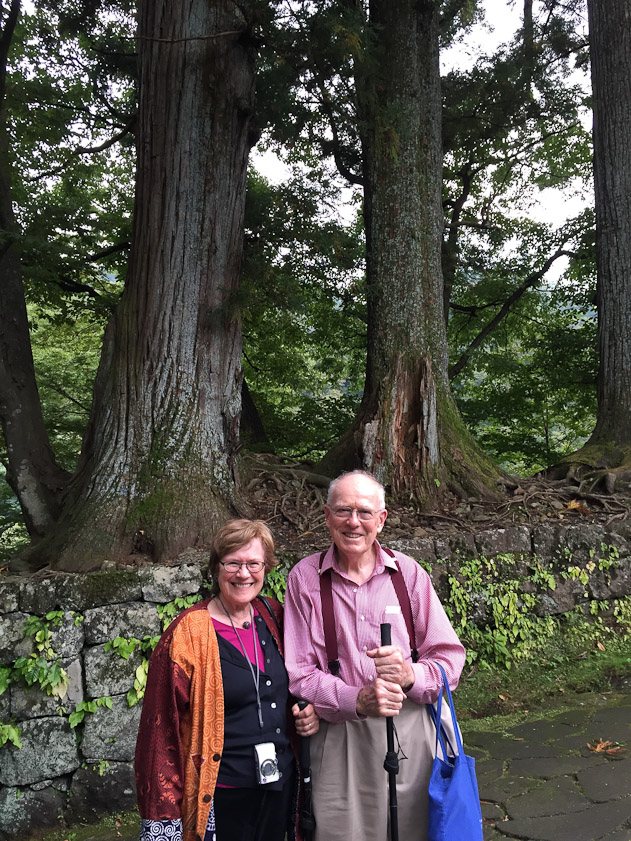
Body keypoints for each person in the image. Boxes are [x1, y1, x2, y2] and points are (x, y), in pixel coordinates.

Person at [284, 470, 466, 841]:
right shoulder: (305, 578)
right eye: (343, 511)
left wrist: (410, 675)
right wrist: (359, 699)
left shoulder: (409, 575)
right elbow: (300, 673)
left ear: (381, 520)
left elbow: (449, 660)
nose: (354, 522)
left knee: (417, 831)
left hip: (411, 728)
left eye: (365, 512)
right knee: (341, 833)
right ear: (326, 516)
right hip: (338, 736)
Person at [135, 519, 318, 841]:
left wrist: (308, 710)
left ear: (267, 567)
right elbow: (159, 730)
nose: (244, 574)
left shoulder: (275, 615)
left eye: (253, 563)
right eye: (233, 563)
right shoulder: (187, 634)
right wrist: (162, 819)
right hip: (222, 791)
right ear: (216, 567)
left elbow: (299, 679)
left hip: (280, 782)